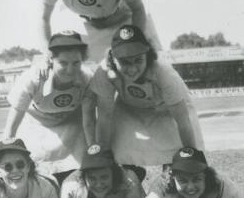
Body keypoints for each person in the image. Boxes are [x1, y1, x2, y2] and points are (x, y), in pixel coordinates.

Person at [84, 24, 204, 167]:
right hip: (130, 108)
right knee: (120, 153)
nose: (132, 69)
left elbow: (183, 121)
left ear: (147, 55)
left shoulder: (163, 72)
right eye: (125, 62)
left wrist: (192, 161)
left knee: (177, 154)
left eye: (138, 60)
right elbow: (104, 118)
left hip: (166, 110)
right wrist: (102, 160)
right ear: (113, 58)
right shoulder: (105, 72)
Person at [3, 31, 96, 183]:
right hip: (35, 126)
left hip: (70, 127)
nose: (70, 70)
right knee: (37, 180)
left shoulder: (87, 78)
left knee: (75, 180)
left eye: (76, 63)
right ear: (51, 60)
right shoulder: (32, 78)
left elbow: (89, 121)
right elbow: (11, 128)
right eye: (63, 63)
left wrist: (94, 153)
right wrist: (4, 157)